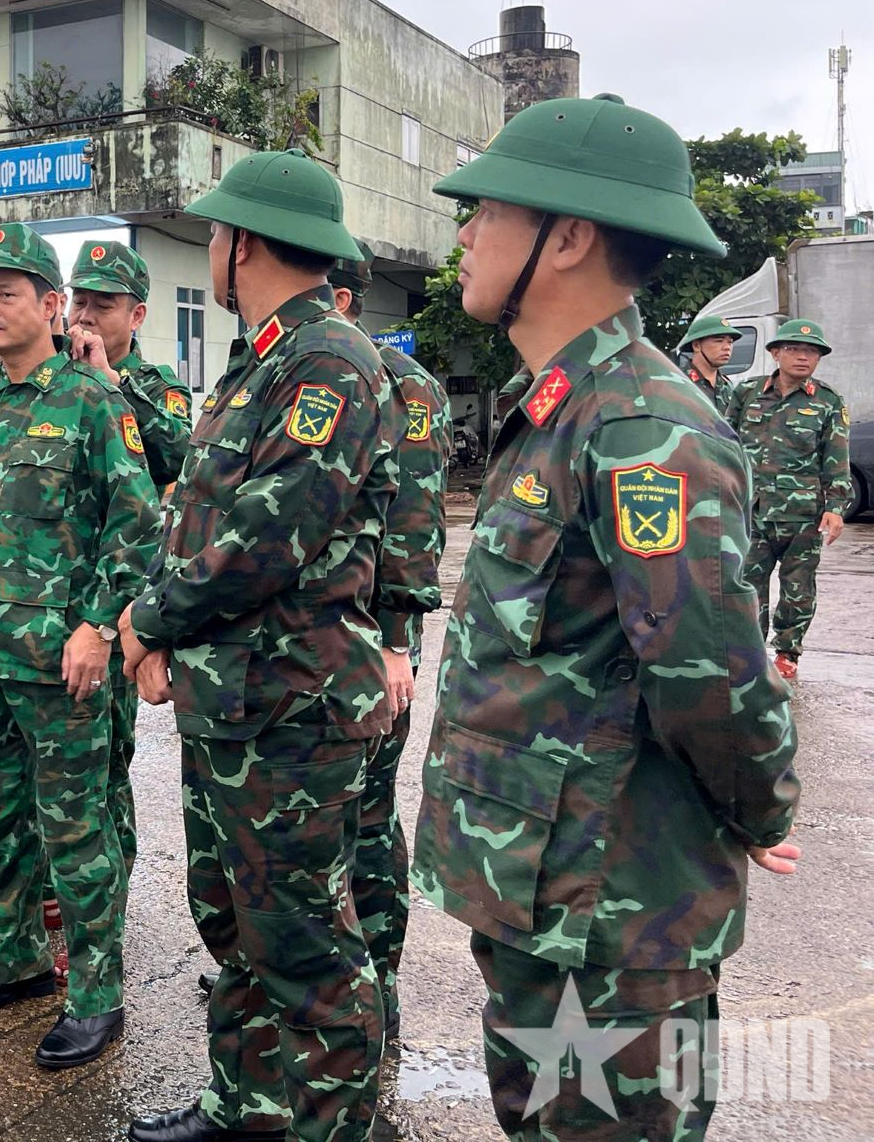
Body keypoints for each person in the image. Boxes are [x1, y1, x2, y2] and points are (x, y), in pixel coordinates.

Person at [409, 95, 800, 1140]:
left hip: (614, 904)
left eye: (482, 212)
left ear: (567, 235)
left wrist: (760, 807)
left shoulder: (642, 426)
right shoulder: (554, 406)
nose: (461, 237)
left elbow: (710, 672)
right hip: (543, 887)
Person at [118, 148, 397, 1142]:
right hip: (234, 701)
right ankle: (247, 1108)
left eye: (216, 234)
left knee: (307, 947)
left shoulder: (327, 362)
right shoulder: (263, 358)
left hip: (295, 706)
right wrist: (157, 623)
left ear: (244, 243)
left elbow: (269, 535)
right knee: (235, 926)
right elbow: (191, 520)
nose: (210, 249)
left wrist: (148, 622)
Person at [0, 223, 159, 1071]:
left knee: (75, 831)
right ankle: (14, 960)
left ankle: (96, 995)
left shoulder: (92, 401)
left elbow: (138, 527)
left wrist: (96, 626)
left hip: (61, 665)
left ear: (52, 306)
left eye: (6, 293)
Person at [327, 257, 450, 1052]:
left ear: (340, 299)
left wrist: (397, 642)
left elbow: (415, 526)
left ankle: (381, 986)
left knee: (367, 819)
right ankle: (315, 970)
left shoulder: (402, 385)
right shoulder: (299, 373)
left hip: (373, 641)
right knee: (314, 823)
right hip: (310, 642)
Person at [66, 238, 193, 872]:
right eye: (78, 302)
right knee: (49, 758)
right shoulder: (49, 376)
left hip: (118, 592)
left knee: (107, 752)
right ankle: (45, 891)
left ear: (136, 315)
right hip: (51, 590)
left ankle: (107, 887)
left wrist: (110, 385)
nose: (85, 318)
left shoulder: (156, 385)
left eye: (103, 305)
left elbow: (177, 456)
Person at [727, 317, 851, 682]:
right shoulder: (746, 394)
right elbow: (721, 442)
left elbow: (837, 458)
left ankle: (787, 653)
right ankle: (747, 651)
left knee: (798, 590)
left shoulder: (828, 402)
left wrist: (835, 508)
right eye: (794, 349)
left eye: (811, 351)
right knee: (747, 586)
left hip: (803, 516)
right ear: (775, 353)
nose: (802, 357)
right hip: (750, 511)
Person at [677, 313, 741, 412]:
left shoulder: (727, 386)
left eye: (730, 342)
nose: (727, 347)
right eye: (719, 341)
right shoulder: (678, 382)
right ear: (696, 345)